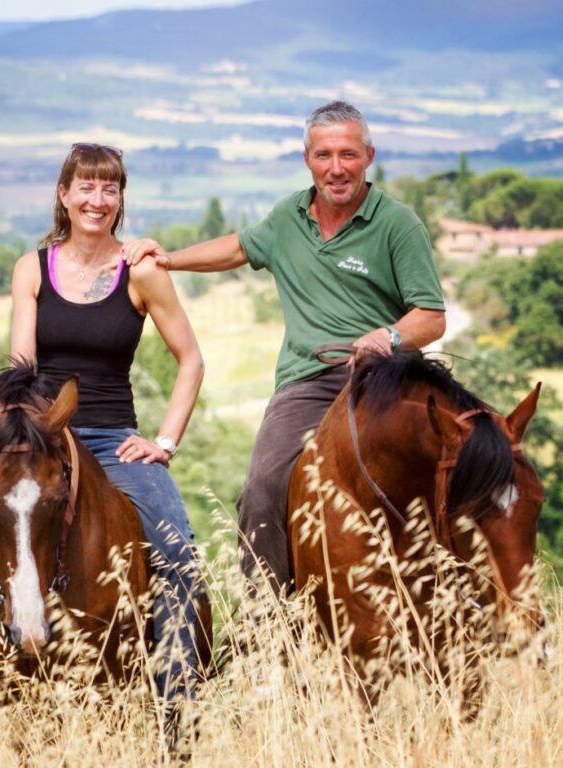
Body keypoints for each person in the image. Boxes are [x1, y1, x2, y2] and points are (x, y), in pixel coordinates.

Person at [0, 142, 206, 700]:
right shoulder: (34, 268)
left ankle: (178, 706)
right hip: (38, 437)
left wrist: (165, 443)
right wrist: (11, 430)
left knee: (174, 551)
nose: (98, 200)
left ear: (121, 198)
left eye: (110, 188)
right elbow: (22, 365)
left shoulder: (141, 271)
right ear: (64, 194)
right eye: (87, 187)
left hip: (113, 437)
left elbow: (191, 360)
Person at [123, 101, 446, 596]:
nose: (336, 168)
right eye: (324, 155)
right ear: (307, 159)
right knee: (261, 490)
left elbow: (432, 316)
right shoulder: (287, 217)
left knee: (468, 463)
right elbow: (238, 248)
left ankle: (473, 601)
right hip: (309, 382)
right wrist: (168, 259)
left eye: (348, 155)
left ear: (369, 157)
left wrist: (389, 336)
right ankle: (267, 624)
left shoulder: (398, 225)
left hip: (388, 379)